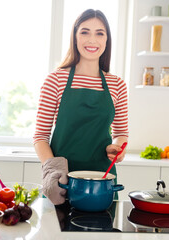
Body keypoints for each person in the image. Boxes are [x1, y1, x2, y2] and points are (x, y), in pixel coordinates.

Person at [33, 9, 129, 205]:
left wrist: (117, 148)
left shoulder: (117, 84)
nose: (92, 39)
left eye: (99, 33)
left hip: (102, 182)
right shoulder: (56, 80)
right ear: (75, 37)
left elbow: (121, 132)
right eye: (85, 32)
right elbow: (40, 137)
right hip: (62, 182)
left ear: (107, 40)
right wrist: (53, 173)